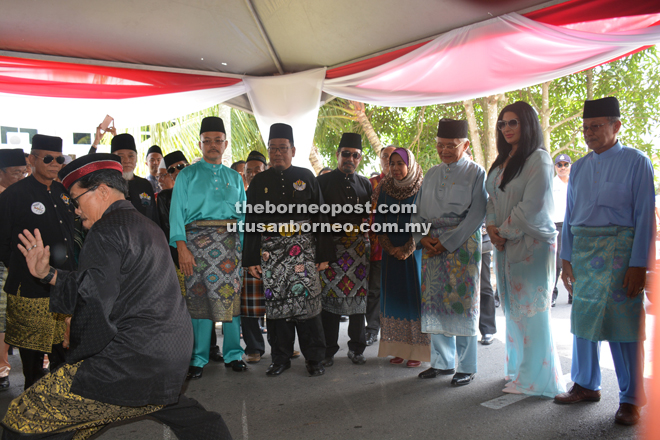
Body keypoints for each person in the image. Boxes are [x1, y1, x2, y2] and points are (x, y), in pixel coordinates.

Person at [1, 154, 232, 439]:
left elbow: (96, 299)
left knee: (23, 417)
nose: (75, 211)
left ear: (101, 191)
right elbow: (101, 283)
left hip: (128, 362)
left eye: (76, 200)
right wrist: (49, 274)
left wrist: (75, 348)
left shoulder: (105, 230)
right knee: (182, 415)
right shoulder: (145, 225)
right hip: (169, 353)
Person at [554, 97, 654, 426]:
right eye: (585, 127)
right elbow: (569, 218)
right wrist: (566, 258)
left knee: (624, 327)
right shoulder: (579, 167)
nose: (589, 133)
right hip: (582, 254)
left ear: (616, 126)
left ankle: (631, 399)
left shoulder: (637, 161)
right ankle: (585, 385)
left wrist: (640, 264)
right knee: (582, 323)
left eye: (596, 126)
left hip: (620, 256)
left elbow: (644, 218)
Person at [485, 101, 565, 397]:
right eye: (502, 123)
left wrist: (502, 232)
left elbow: (531, 207)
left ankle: (537, 379)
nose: (505, 128)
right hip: (504, 245)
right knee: (514, 310)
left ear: (527, 124)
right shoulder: (502, 161)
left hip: (531, 246)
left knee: (532, 311)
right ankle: (520, 370)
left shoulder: (539, 159)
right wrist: (492, 228)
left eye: (513, 122)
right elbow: (490, 199)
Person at [243, 123, 335, 377]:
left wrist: (324, 255)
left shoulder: (306, 177)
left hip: (303, 253)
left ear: (293, 150)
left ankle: (314, 359)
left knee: (309, 306)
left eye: (283, 148)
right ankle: (280, 359)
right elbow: (252, 222)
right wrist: (251, 258)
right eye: (273, 148)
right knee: (277, 308)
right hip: (270, 255)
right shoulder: (259, 181)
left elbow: (321, 217)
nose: (277, 153)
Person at [169, 117, 247, 379]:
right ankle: (198, 357)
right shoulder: (187, 175)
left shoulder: (235, 177)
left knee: (231, 300)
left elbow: (243, 217)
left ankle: (234, 354)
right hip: (195, 248)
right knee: (198, 301)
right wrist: (181, 248)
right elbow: (176, 213)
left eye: (218, 140)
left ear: (225, 144)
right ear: (200, 144)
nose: (213, 145)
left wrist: (243, 251)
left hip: (229, 248)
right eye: (207, 141)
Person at [412, 119, 486, 385]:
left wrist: (448, 241)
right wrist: (421, 237)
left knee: (462, 303)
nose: (444, 150)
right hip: (431, 244)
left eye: (451, 146)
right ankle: (442, 363)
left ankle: (466, 366)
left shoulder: (477, 172)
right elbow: (417, 211)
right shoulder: (430, 173)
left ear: (465, 145)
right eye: (440, 145)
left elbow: (477, 213)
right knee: (434, 301)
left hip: (462, 245)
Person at [0, 135, 74, 390]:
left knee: (63, 351)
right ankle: (31, 409)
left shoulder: (63, 192)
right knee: (32, 357)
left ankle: (60, 405)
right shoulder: (14, 195)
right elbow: (2, 239)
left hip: (62, 284)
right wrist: (19, 268)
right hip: (30, 289)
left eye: (59, 159)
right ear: (31, 159)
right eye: (47, 158)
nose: (54, 164)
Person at [317, 133, 372, 366]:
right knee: (329, 302)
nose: (350, 158)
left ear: (360, 158)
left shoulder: (365, 184)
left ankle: (357, 348)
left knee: (359, 301)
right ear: (338, 154)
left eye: (355, 155)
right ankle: (328, 350)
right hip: (332, 250)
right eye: (346, 153)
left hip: (359, 251)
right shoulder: (322, 183)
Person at [374, 147, 430, 368]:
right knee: (393, 299)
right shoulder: (385, 188)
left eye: (400, 163)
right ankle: (397, 348)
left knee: (412, 300)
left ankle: (417, 350)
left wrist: (407, 248)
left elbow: (426, 221)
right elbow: (379, 219)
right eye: (392, 163)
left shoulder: (421, 188)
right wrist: (389, 247)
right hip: (390, 255)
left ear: (410, 164)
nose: (395, 168)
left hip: (413, 254)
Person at [0, 148, 29, 391]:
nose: (20, 176)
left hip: (26, 265)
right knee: (1, 318)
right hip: (3, 266)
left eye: (23, 172)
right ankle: (2, 367)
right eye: (15, 172)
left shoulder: (25, 194)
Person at [366, 145, 396, 346]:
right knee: (375, 290)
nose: (389, 161)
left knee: (396, 290)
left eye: (393, 157)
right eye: (385, 157)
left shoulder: (408, 182)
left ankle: (394, 331)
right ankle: (372, 329)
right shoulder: (371, 184)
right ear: (380, 160)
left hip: (401, 248)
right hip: (376, 248)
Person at [240, 151, 268, 364]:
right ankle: (254, 347)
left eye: (257, 170)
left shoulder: (276, 195)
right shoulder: (240, 196)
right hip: (248, 254)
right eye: (248, 171)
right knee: (249, 305)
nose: (252, 174)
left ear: (265, 171)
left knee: (277, 303)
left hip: (274, 255)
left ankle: (280, 346)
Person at [110, 134, 160, 227]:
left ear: (136, 159)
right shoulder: (107, 186)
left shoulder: (145, 185)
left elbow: (154, 218)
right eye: (121, 156)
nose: (127, 160)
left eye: (131, 156)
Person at [551, 153, 572, 307]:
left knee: (574, 260)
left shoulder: (576, 183)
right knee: (557, 262)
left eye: (565, 164)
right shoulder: (551, 184)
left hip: (574, 225)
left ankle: (574, 293)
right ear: (555, 167)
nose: (563, 167)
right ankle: (552, 294)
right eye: (559, 165)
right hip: (557, 225)